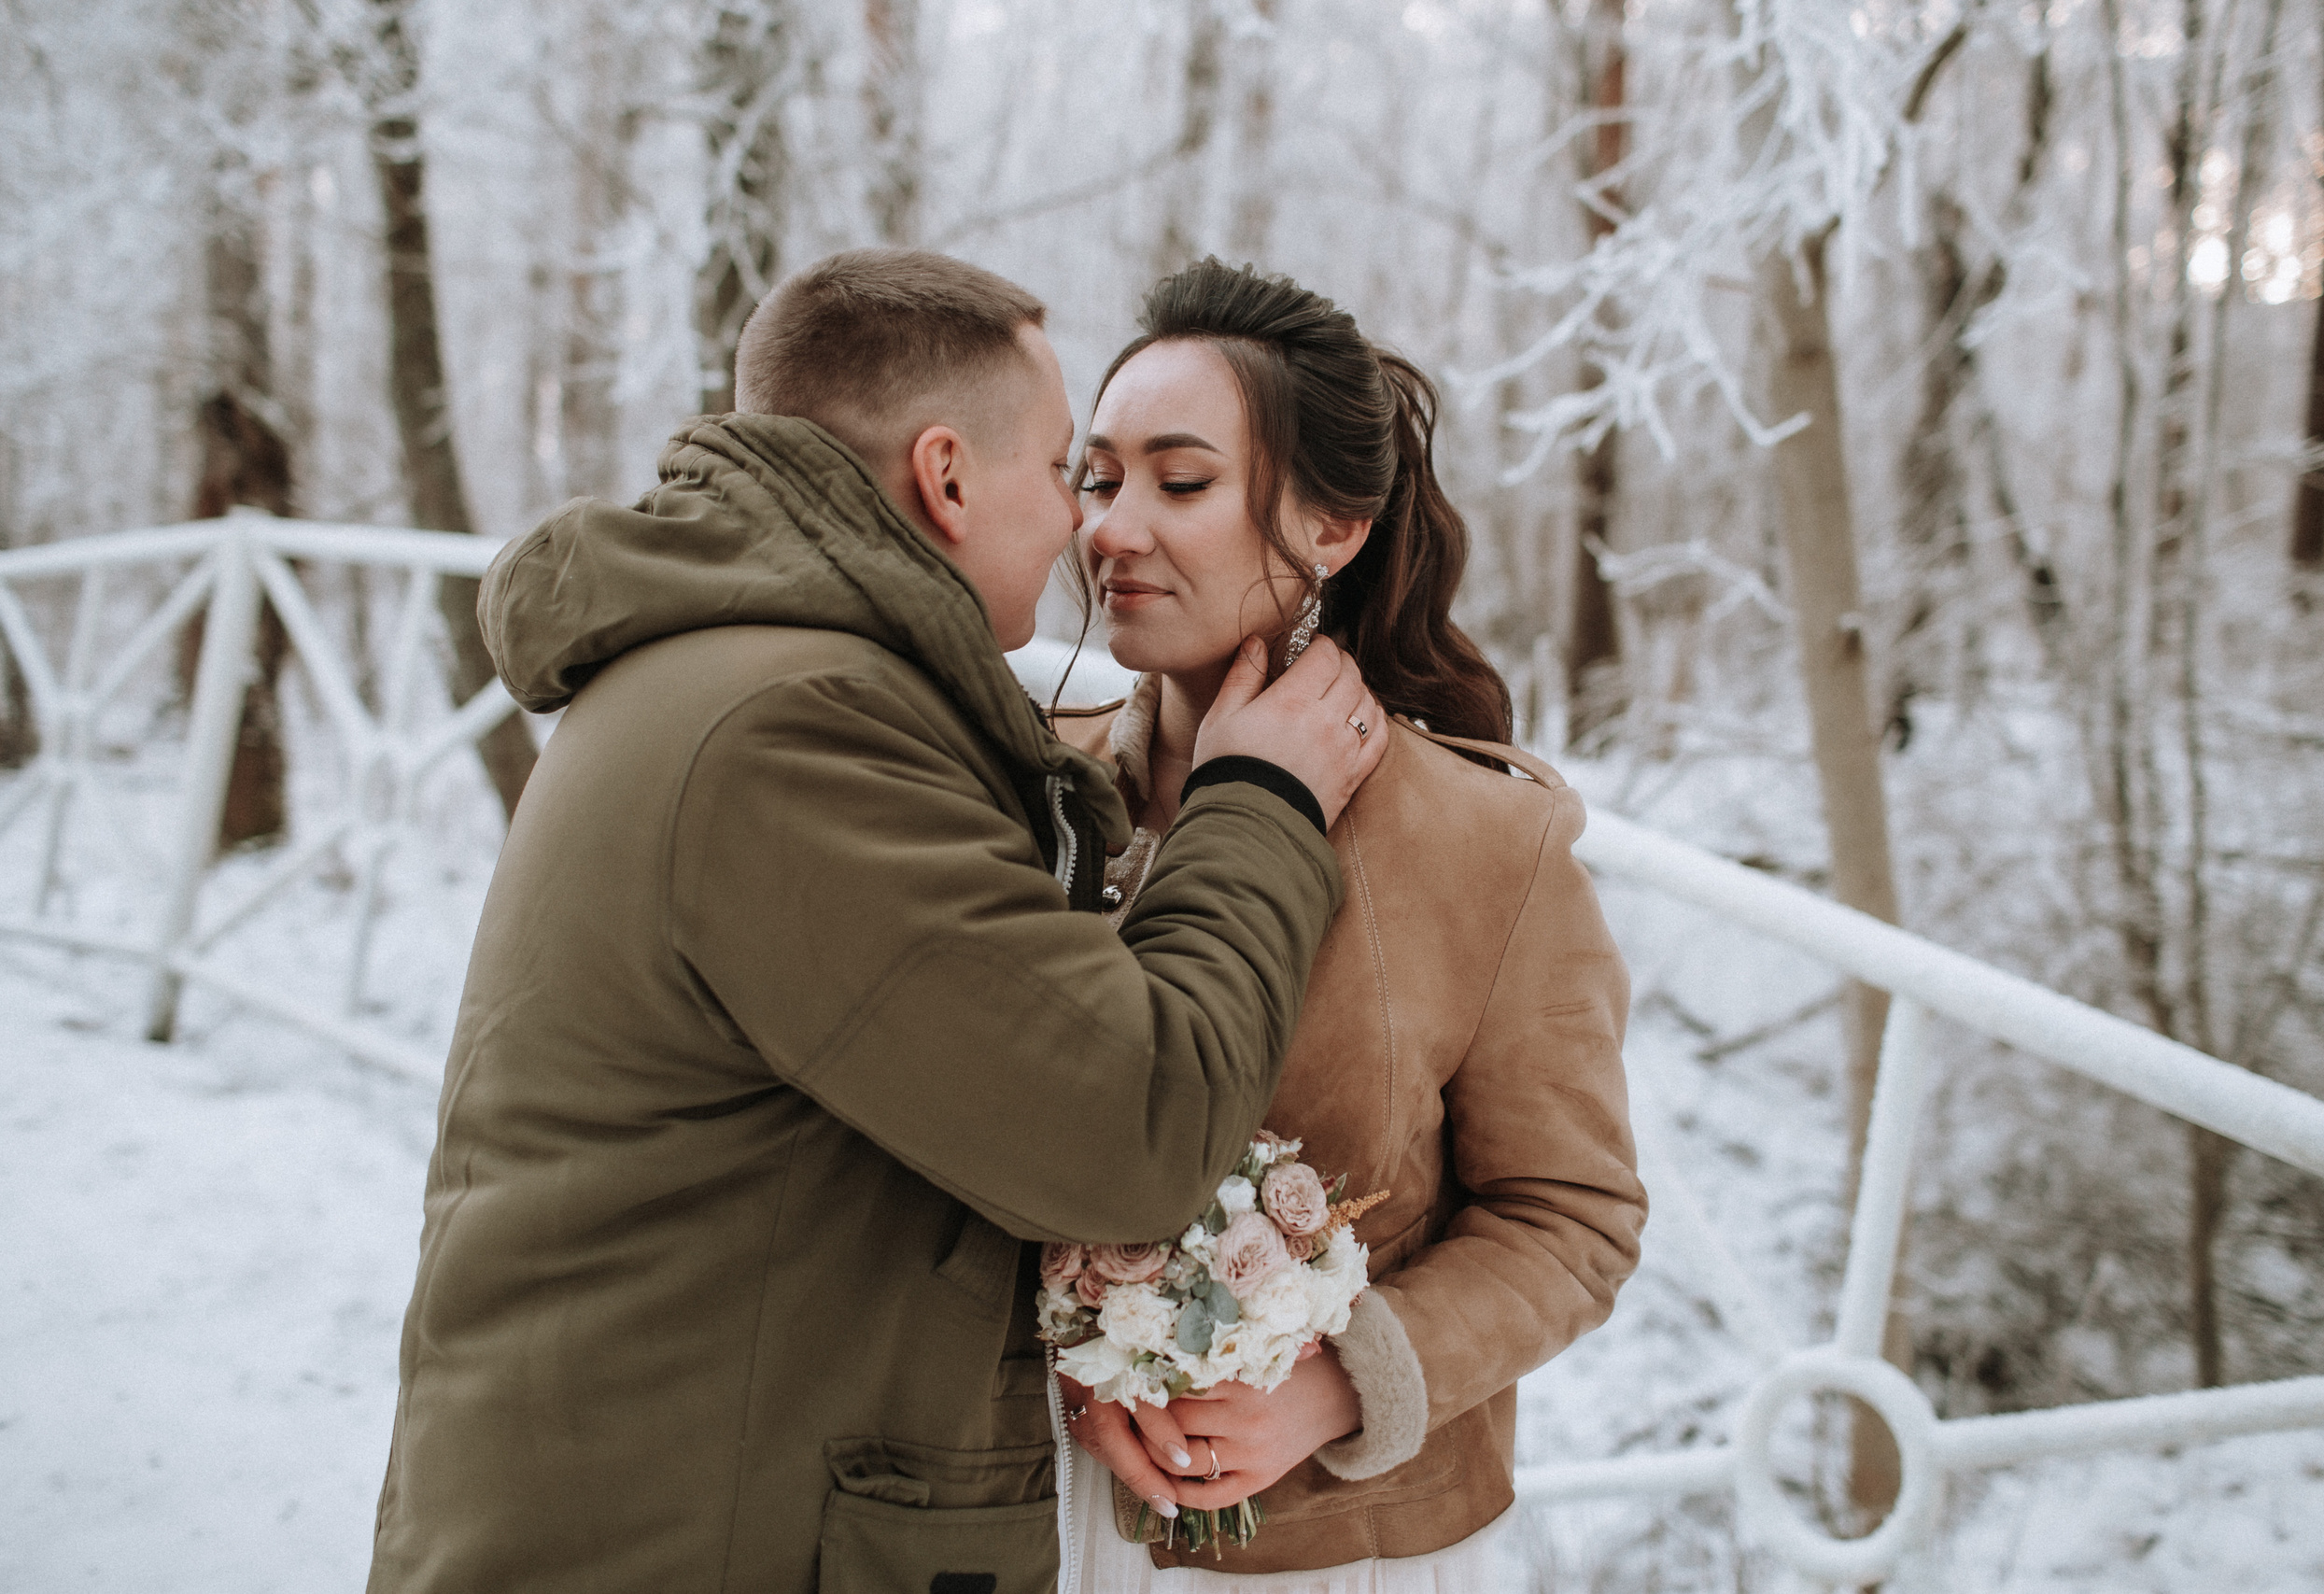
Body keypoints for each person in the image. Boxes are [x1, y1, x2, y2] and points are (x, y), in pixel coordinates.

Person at [364, 248, 1390, 1594]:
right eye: (1065, 475)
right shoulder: (797, 732)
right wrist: (1255, 800)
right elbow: (1134, 1126)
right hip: (689, 1538)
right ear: (946, 476)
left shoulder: (747, 673)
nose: (1085, 528)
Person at [1049, 259, 1646, 1589]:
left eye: (1181, 481)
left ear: (1332, 527)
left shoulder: (1488, 839)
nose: (1113, 528)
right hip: (1043, 1512)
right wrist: (1081, 1369)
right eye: (1098, 480)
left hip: (1339, 1542)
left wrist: (1337, 1383)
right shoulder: (1027, 780)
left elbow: (1573, 1218)